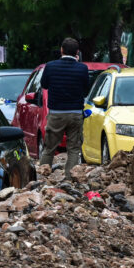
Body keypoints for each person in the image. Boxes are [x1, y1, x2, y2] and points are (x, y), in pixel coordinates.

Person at [38, 38, 91, 180]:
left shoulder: (50, 66)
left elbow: (45, 85)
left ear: (61, 50)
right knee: (74, 149)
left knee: (49, 148)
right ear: (77, 52)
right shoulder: (82, 68)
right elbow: (86, 91)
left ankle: (43, 179)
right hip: (75, 114)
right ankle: (70, 179)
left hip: (56, 114)